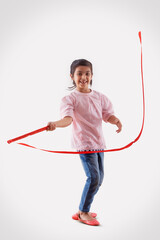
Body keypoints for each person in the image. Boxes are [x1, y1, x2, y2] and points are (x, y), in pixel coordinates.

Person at [47, 59, 122, 226]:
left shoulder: (100, 97)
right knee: (93, 177)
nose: (83, 77)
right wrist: (55, 124)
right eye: (79, 73)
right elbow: (67, 119)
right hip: (84, 144)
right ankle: (84, 212)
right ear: (72, 76)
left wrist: (115, 120)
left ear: (92, 75)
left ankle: (82, 208)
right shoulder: (70, 99)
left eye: (87, 73)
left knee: (99, 179)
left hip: (99, 143)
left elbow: (107, 114)